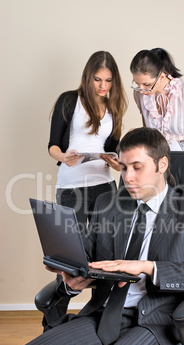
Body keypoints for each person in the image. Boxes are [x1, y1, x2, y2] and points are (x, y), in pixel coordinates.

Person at [3, 128, 184, 345]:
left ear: (162, 165)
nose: (128, 178)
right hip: (106, 315)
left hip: (159, 322)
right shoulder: (109, 203)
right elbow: (86, 257)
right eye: (123, 168)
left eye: (137, 167)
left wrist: (146, 267)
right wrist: (70, 274)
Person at [49, 50, 128, 231]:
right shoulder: (69, 100)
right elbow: (52, 146)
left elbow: (113, 150)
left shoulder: (113, 108)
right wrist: (63, 157)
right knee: (73, 250)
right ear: (87, 77)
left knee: (106, 248)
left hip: (104, 186)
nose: (103, 86)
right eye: (97, 79)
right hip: (71, 186)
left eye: (108, 81)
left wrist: (118, 165)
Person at [130, 48, 184, 150]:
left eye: (146, 84)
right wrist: (138, 136)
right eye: (137, 83)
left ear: (161, 77)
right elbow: (150, 134)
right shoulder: (140, 95)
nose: (141, 90)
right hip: (162, 162)